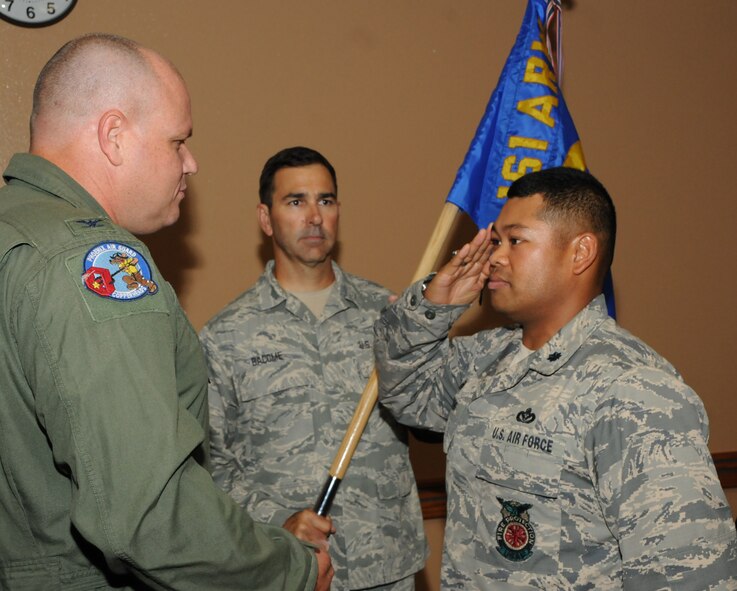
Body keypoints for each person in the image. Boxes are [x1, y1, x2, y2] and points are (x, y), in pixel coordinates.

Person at [0, 34, 332, 590]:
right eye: (178, 141)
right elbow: (149, 512)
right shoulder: (94, 264)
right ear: (113, 136)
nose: (191, 163)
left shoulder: (16, 234)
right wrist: (290, 570)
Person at [373, 166, 737, 590]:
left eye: (515, 241)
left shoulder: (632, 388)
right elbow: (406, 393)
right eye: (495, 242)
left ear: (580, 253)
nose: (495, 257)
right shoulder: (487, 357)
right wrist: (431, 308)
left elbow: (689, 574)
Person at [200, 146, 427, 591]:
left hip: (386, 565)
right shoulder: (226, 336)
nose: (314, 217)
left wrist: (427, 330)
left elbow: (429, 415)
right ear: (266, 219)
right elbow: (210, 465)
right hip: (287, 567)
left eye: (325, 201)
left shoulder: (387, 314)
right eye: (295, 201)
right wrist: (276, 520)